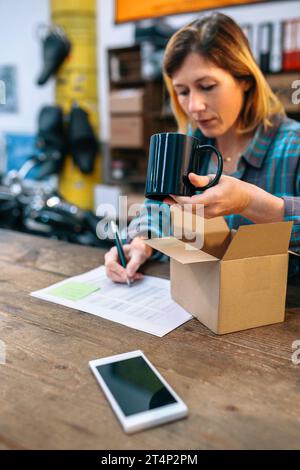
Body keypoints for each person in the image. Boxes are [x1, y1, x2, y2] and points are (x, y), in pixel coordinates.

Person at [105, 12, 300, 283]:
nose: (194, 106)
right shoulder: (188, 150)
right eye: (183, 92)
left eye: (207, 86)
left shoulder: (293, 146)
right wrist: (141, 242)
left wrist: (249, 202)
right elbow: (157, 210)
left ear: (244, 79)